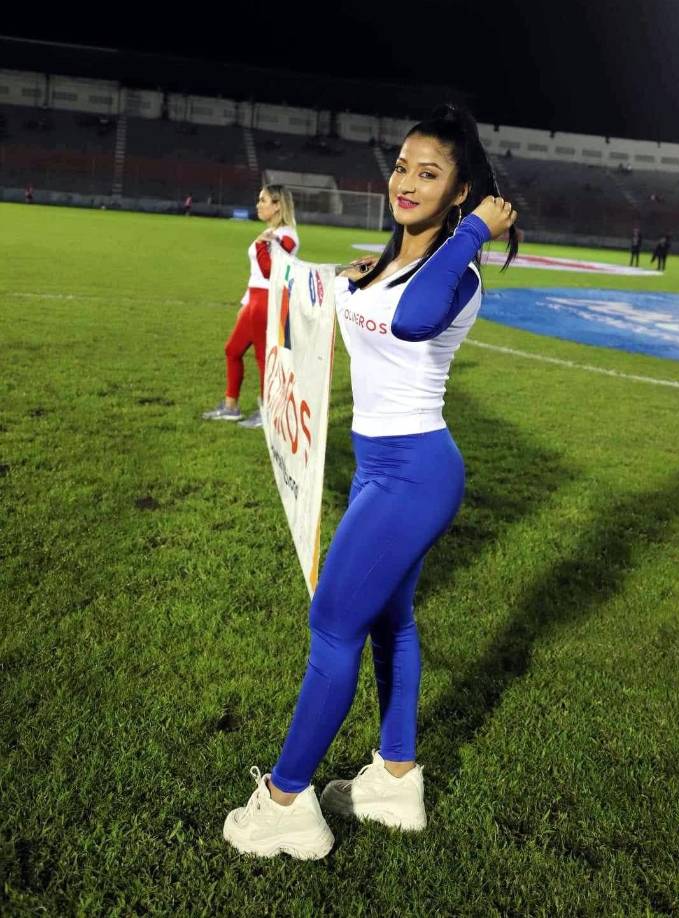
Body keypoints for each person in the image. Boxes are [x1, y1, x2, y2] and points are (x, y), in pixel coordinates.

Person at [222, 104, 519, 860]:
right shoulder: (380, 262)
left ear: (460, 192)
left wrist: (477, 230)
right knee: (392, 622)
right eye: (400, 166)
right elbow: (342, 300)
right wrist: (339, 275)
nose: (406, 182)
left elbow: (415, 321)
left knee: (331, 626)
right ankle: (394, 780)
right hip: (377, 467)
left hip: (416, 472)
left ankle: (286, 801)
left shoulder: (457, 269)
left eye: (430, 173)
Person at [203, 185, 299, 427]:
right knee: (232, 350)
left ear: (277, 205)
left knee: (263, 359)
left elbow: (270, 273)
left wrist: (260, 245)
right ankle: (230, 407)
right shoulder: (271, 232)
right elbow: (257, 273)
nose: (258, 205)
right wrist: (245, 303)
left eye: (263, 200)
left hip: (268, 300)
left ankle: (268, 413)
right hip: (255, 301)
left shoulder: (287, 236)